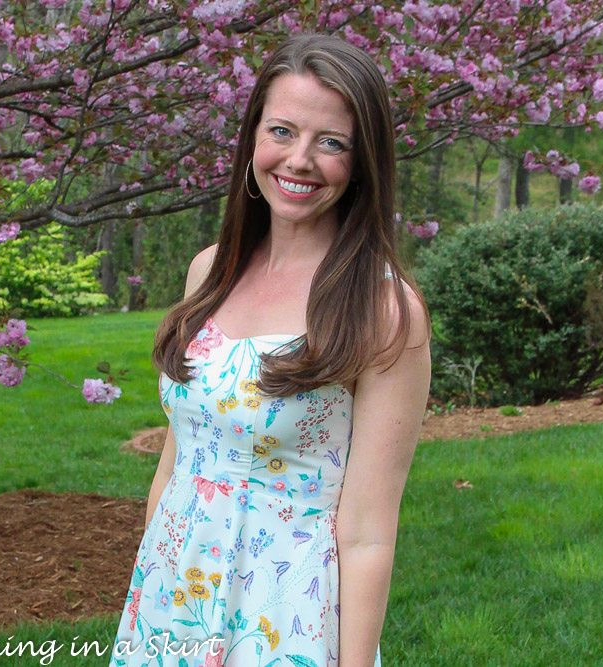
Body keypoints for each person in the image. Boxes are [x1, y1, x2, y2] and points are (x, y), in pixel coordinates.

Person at [110, 33, 431, 667]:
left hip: (281, 615)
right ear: (254, 136)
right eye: (282, 131)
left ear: (363, 161)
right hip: (171, 600)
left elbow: (368, 533)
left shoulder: (383, 312)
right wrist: (151, 595)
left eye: (331, 143)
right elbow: (175, 462)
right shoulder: (210, 271)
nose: (300, 160)